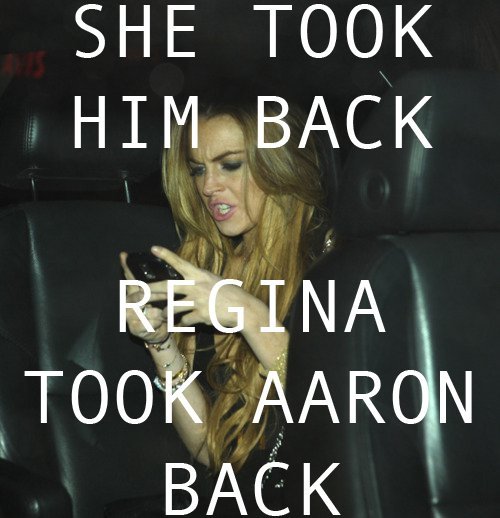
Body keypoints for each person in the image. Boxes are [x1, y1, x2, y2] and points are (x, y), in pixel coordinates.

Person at [118, 94, 331, 516]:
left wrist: (251, 316)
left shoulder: (333, 265)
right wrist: (161, 344)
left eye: (230, 164)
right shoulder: (206, 270)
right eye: (198, 169)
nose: (207, 186)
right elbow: (210, 450)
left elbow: (342, 414)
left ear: (280, 165)